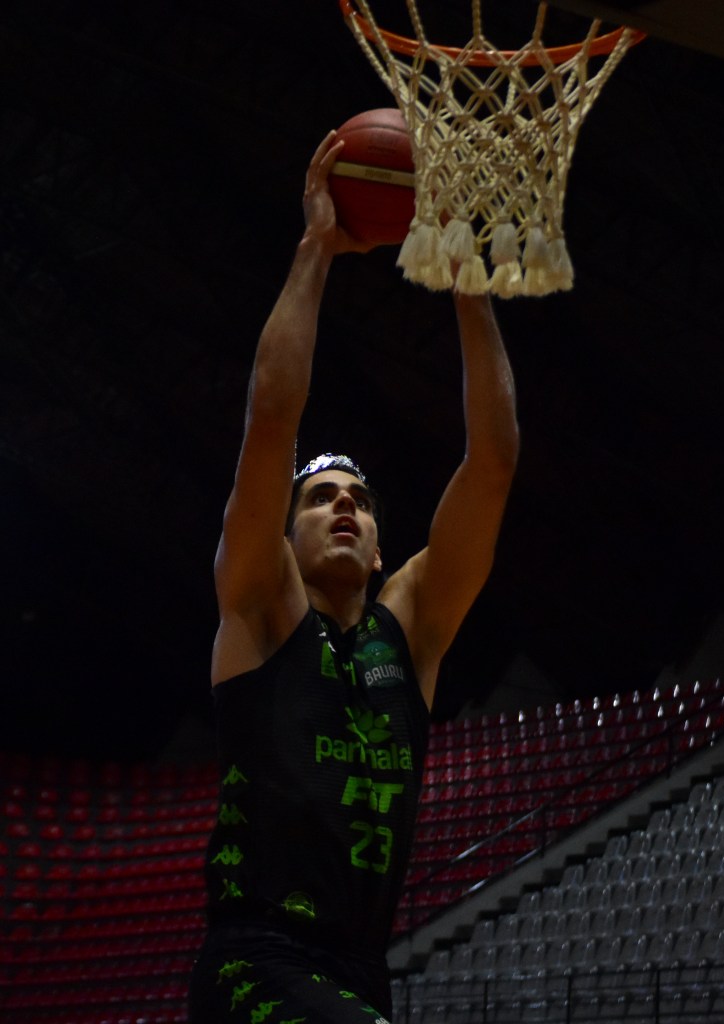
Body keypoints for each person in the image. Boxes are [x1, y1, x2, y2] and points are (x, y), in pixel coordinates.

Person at [188, 129, 520, 1024]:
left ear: (378, 550)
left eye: (361, 502)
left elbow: (493, 462)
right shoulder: (260, 608)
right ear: (285, 536)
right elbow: (271, 418)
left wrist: (467, 281)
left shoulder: (411, 629)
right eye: (320, 499)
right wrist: (317, 249)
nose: (343, 507)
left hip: (361, 970)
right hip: (255, 960)